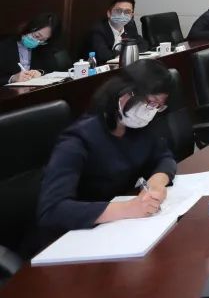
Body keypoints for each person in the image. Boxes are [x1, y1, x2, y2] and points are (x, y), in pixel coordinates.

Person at [36, 60, 176, 248]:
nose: (150, 111)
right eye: (150, 102)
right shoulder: (78, 139)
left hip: (120, 231)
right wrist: (128, 208)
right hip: (75, 240)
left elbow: (164, 157)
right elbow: (52, 210)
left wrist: (156, 183)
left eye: (158, 106)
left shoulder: (137, 128)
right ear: (125, 92)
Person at [2, 13, 62, 83]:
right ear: (30, 27)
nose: (37, 42)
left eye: (43, 40)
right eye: (37, 36)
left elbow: (52, 69)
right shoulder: (5, 46)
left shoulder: (42, 47)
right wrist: (12, 78)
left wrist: (40, 72)